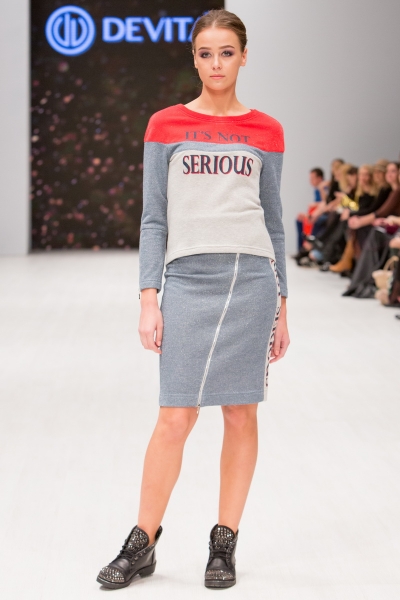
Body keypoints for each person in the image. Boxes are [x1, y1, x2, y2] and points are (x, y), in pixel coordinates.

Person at [96, 9, 290, 591]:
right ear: (195, 59)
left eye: (226, 52)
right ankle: (142, 542)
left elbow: (274, 222)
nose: (216, 64)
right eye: (206, 54)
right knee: (175, 417)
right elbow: (154, 218)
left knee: (240, 412)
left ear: (244, 56)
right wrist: (148, 297)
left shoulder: (267, 130)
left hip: (252, 281)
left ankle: (224, 543)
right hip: (187, 279)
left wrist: (283, 303)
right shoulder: (166, 124)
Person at [343, 162, 400, 297]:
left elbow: (380, 212)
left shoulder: (394, 191)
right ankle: (362, 278)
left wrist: (360, 221)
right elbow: (379, 211)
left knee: (370, 232)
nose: (388, 175)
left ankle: (362, 279)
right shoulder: (391, 191)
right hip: (391, 227)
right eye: (388, 171)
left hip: (393, 228)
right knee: (366, 230)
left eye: (393, 171)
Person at [294, 167, 325, 253]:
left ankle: (307, 248)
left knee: (308, 220)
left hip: (320, 214)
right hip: (315, 213)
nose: (310, 181)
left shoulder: (324, 188)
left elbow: (326, 202)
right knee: (299, 220)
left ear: (319, 178)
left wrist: (315, 206)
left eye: (312, 178)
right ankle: (301, 250)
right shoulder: (316, 190)